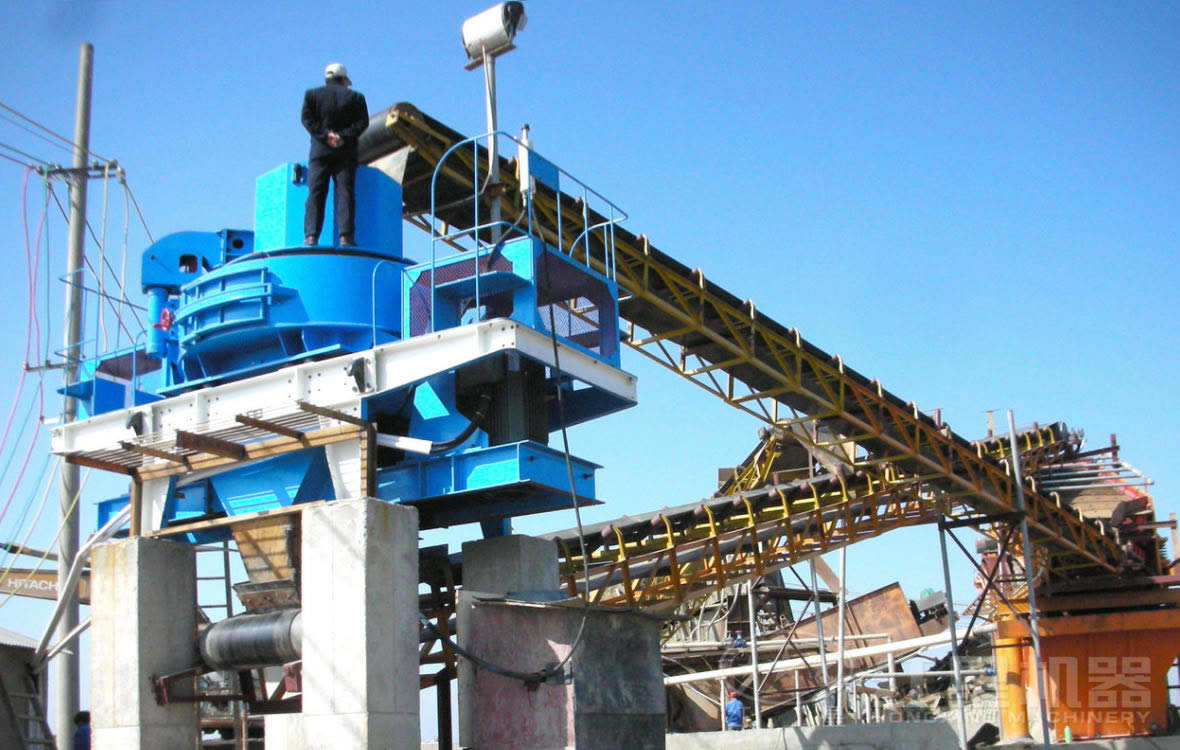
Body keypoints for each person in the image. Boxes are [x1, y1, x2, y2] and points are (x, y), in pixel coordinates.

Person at [301, 62, 369, 247]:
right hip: (345, 153)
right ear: (344, 79)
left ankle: (311, 236)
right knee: (345, 193)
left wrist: (325, 135)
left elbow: (307, 120)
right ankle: (345, 236)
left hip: (320, 152)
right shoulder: (356, 98)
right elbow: (362, 123)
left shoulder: (311, 95)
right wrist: (342, 137)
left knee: (316, 193)